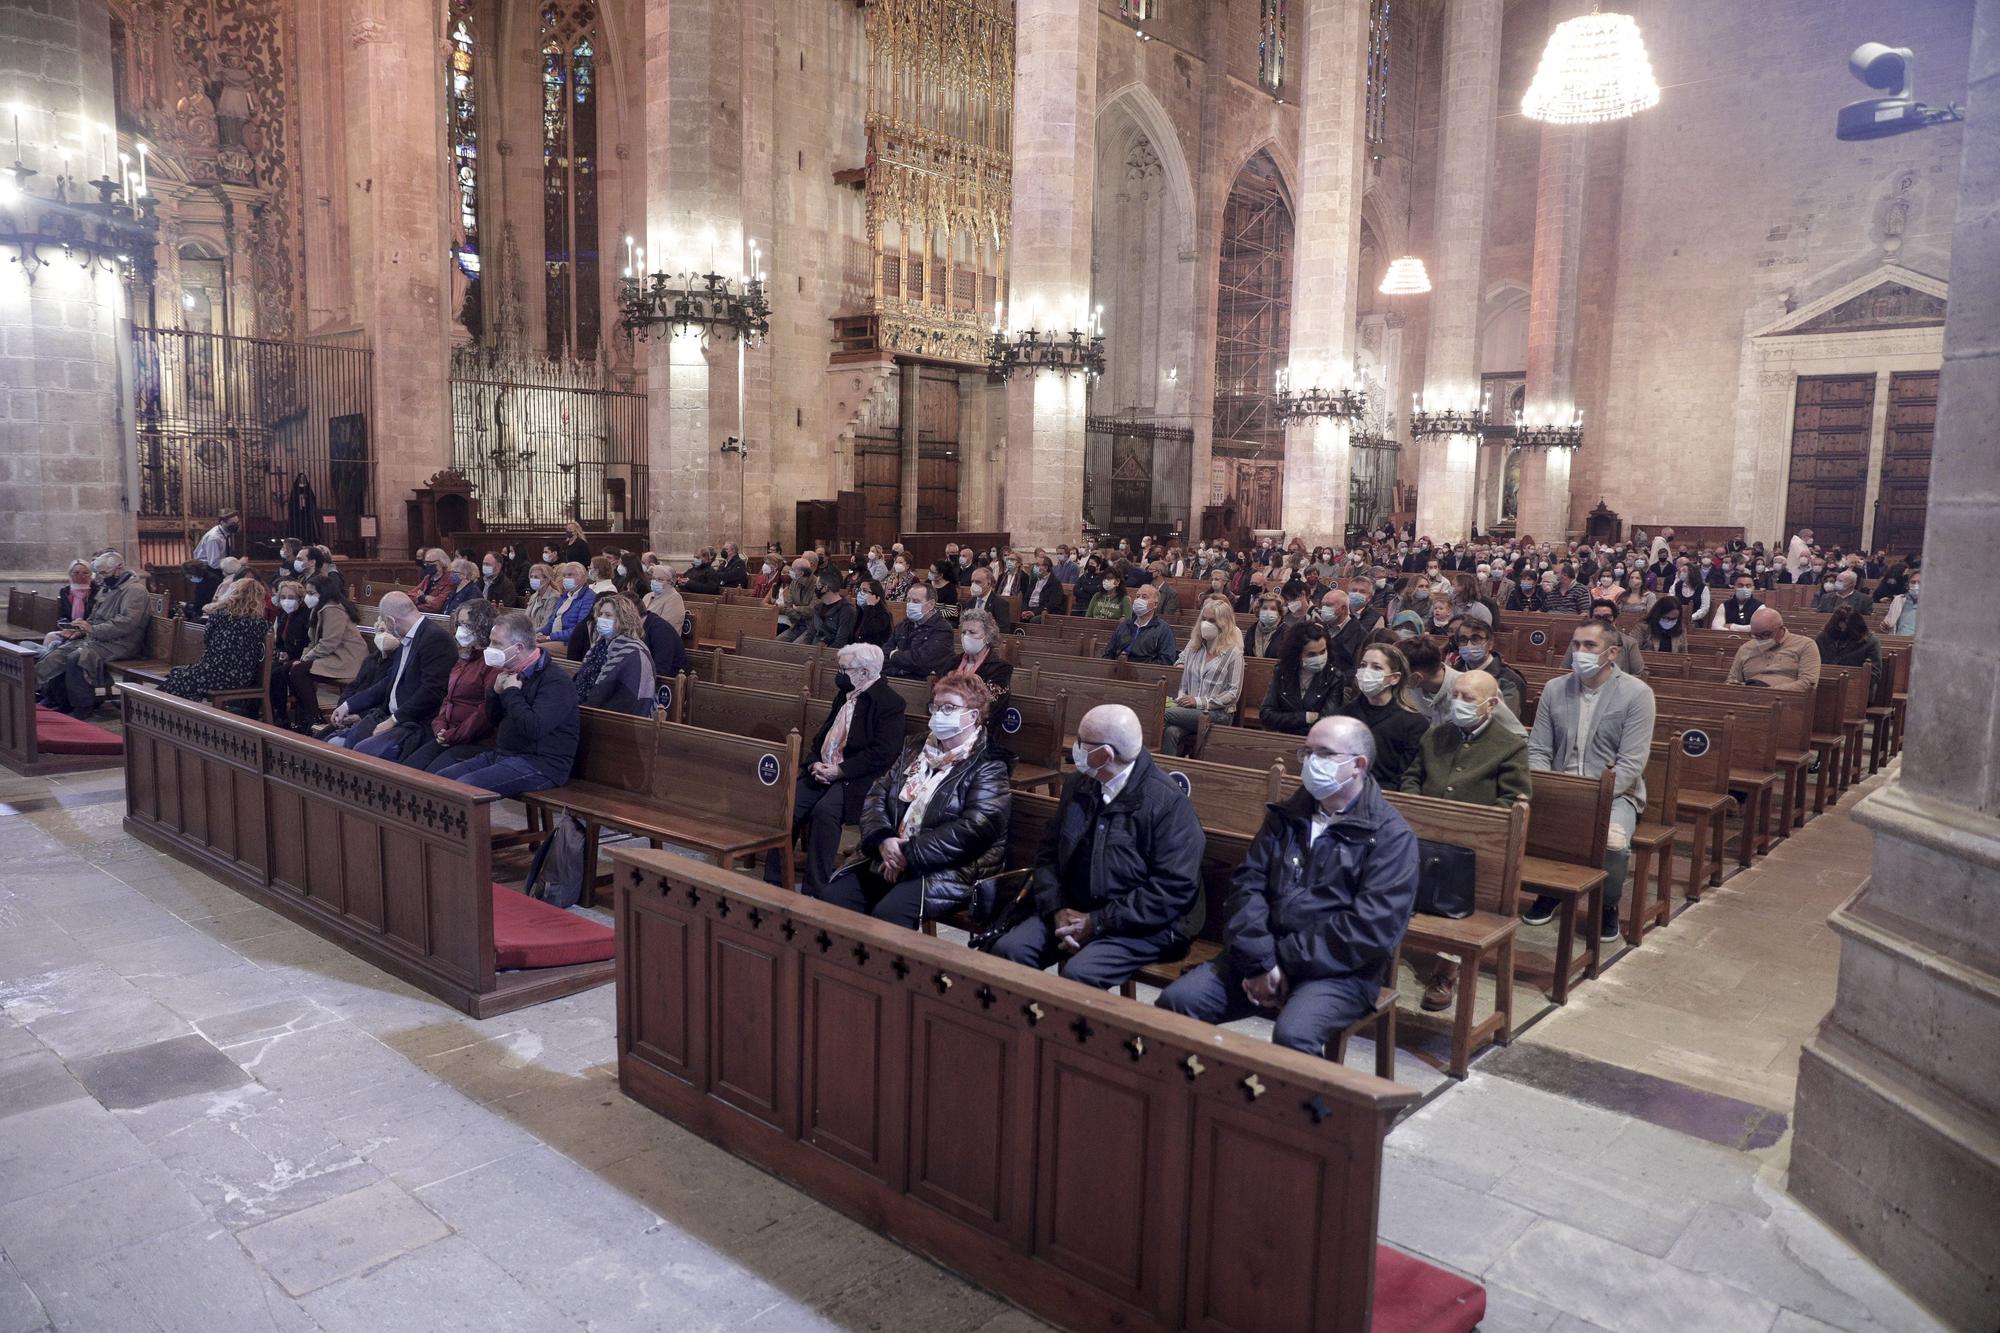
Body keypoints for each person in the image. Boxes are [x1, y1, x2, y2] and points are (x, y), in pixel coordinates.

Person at [1156, 715, 1416, 1051]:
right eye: (1306, 752)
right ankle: (1188, 1100)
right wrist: (1261, 961)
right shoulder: (1286, 816)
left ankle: (1304, 1105)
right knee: (1177, 1003)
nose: (1311, 762)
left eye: (1324, 754)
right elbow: (1246, 888)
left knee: (1293, 1037)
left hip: (1339, 972)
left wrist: (1279, 962)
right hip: (1260, 954)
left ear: (1358, 765)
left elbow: (1368, 930)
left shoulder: (1391, 837)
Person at [988, 704, 1204, 989]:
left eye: (1081, 742)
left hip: (1142, 924)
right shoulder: (1079, 784)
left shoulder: (1167, 803)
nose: (1074, 748)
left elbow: (1172, 889)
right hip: (1073, 908)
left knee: (1079, 976)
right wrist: (1057, 907)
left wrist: (1097, 922)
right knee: (1010, 951)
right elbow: (1048, 853)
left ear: (1106, 754)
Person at [815, 671, 1012, 929]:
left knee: (889, 914)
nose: (939, 714)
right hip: (891, 853)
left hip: (953, 868)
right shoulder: (916, 747)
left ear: (973, 716)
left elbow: (975, 829)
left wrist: (909, 853)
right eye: (936, 706)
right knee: (832, 899)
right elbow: (877, 794)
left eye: (949, 708)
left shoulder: (989, 764)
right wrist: (884, 840)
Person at [1399, 671, 1531, 1012]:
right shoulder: (1436, 735)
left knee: (1463, 883)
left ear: (1491, 705)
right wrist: (1418, 808)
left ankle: (1446, 969)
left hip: (1475, 846)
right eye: (1455, 696)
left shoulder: (1510, 745)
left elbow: (1515, 800)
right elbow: (1413, 777)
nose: (1458, 703)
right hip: (1425, 832)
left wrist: (1473, 827)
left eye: (1468, 699)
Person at [1525, 619, 1657, 940]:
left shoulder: (1637, 693)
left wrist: (1594, 795)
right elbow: (1539, 748)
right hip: (1561, 788)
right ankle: (1551, 889)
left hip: (1615, 792)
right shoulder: (1556, 689)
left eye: (1589, 646)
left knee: (1613, 841)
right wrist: (1551, 787)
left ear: (1611, 653)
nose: (1579, 652)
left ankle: (1607, 903)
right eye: (1576, 645)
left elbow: (1632, 761)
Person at [780, 643, 906, 893]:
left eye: (845, 669)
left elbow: (883, 753)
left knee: (824, 813)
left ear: (867, 672)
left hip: (858, 777)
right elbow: (824, 735)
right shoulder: (845, 694)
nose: (840, 674)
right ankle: (776, 879)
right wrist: (814, 761)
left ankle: (815, 888)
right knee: (789, 804)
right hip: (824, 769)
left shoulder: (890, 703)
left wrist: (840, 771)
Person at [431, 612, 580, 796]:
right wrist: (494, 693)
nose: (490, 648)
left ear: (518, 648)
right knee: (441, 779)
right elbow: (494, 719)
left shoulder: (555, 681)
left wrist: (511, 693)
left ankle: (469, 825)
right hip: (505, 754)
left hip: (541, 763)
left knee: (465, 787)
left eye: (497, 644)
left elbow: (534, 728)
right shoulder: (509, 673)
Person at [328, 593, 455, 759]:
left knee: (359, 752)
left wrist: (394, 720)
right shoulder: (408, 638)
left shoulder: (436, 639)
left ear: (390, 621)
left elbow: (431, 692)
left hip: (413, 722)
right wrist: (348, 705)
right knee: (330, 743)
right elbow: (389, 682)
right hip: (388, 715)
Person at [36, 551, 151, 717]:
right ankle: (56, 698)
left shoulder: (135, 591)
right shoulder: (108, 588)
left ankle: (83, 706)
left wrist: (92, 629)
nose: (100, 577)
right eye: (99, 573)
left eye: (104, 573)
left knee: (77, 657)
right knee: (59, 650)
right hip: (101, 638)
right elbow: (95, 617)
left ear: (119, 568)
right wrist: (80, 630)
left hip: (123, 643)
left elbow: (127, 622)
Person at [400, 600, 501, 770]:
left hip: (476, 740)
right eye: (459, 624)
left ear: (482, 626)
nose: (461, 630)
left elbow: (485, 711)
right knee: (409, 767)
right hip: (447, 733)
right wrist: (440, 726)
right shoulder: (463, 657)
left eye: (467, 624)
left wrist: (455, 734)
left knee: (434, 775)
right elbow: (448, 697)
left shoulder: (491, 662)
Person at [160, 575, 268, 712]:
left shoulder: (219, 616)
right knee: (178, 675)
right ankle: (170, 714)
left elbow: (207, 640)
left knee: (179, 677)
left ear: (232, 595)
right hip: (242, 677)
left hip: (216, 672)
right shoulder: (261, 624)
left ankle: (155, 712)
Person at [1338, 643, 1430, 789]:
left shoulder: (1414, 723)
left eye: (1376, 667)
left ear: (1394, 678)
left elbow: (1405, 776)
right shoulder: (1344, 714)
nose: (1366, 672)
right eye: (1363, 665)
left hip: (1385, 795)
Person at [1164, 600, 1244, 754]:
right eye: (1204, 619)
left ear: (1224, 624)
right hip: (1188, 711)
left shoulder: (1233, 653)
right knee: (1171, 732)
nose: (1206, 624)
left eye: (1212, 620)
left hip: (1218, 713)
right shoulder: (1194, 648)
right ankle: (1171, 772)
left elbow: (1233, 694)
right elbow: (1184, 684)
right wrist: (1182, 699)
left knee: (1164, 713)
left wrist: (1199, 702)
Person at [568, 592, 656, 716]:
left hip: (613, 719)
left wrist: (582, 712)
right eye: (600, 614)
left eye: (608, 615)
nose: (601, 618)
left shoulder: (633, 652)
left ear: (624, 619)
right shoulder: (600, 646)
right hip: (588, 710)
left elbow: (624, 700)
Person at [1261, 622, 1344, 737]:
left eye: (1323, 652)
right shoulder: (1282, 672)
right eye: (1311, 654)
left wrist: (1286, 719)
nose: (1319, 658)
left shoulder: (1334, 677)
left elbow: (1326, 722)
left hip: (1316, 741)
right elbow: (1266, 715)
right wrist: (1306, 717)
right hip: (1283, 738)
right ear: (1297, 654)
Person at [1447, 606, 1528, 718]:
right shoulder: (1454, 673)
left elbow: (1507, 721)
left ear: (1490, 644)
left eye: (1476, 639)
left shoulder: (1510, 679)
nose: (1469, 645)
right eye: (1463, 640)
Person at [1725, 607, 1822, 693]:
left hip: (1787, 702)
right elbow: (1731, 681)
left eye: (1766, 634)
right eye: (1755, 635)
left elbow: (1808, 684)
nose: (1761, 639)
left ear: (1781, 628)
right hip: (1747, 700)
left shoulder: (1805, 645)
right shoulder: (1745, 648)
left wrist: (1767, 692)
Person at [266, 580, 314, 725]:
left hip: (302, 656)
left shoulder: (306, 614)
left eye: (291, 597)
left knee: (277, 673)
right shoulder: (283, 614)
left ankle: (282, 715)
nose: (287, 601)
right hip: (286, 655)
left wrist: (290, 654)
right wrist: (281, 652)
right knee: (267, 669)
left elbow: (307, 640)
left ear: (300, 599)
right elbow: (279, 639)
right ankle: (272, 711)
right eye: (283, 597)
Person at [882, 583, 954, 679]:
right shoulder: (902, 626)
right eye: (908, 600)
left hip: (922, 686)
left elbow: (922, 661)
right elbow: (883, 654)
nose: (910, 604)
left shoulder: (943, 630)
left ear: (931, 604)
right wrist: (900, 669)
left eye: (916, 601)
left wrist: (894, 655)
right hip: (894, 678)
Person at [1102, 585, 1177, 664]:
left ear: (1155, 604)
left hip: (1145, 672)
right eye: (1137, 597)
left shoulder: (1163, 629)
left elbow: (1166, 660)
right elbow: (1108, 652)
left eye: (1144, 597)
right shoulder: (1124, 625)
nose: (1139, 600)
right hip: (1117, 668)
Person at [1816, 604, 1882, 689]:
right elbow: (1812, 663)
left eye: (1846, 630)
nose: (1842, 631)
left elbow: (1874, 674)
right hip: (1825, 684)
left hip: (1857, 687)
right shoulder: (1823, 637)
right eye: (1839, 630)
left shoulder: (1870, 642)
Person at [788, 574, 858, 648]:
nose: (815, 587)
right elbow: (810, 634)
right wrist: (805, 650)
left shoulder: (847, 610)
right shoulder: (819, 607)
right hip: (814, 649)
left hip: (830, 654)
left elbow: (840, 642)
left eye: (817, 585)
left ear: (825, 588)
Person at [536, 562, 595, 646]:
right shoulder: (564, 596)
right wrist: (539, 633)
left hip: (570, 643)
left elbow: (579, 630)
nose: (566, 578)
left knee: (536, 649)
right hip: (553, 638)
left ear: (583, 577)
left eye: (570, 575)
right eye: (564, 575)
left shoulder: (589, 597)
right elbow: (551, 623)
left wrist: (549, 637)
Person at [1021, 554, 1069, 621]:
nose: (1034, 567)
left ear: (1046, 567)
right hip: (1029, 609)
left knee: (1034, 620)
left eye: (1037, 565)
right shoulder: (1033, 581)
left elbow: (1052, 605)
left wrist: (1034, 612)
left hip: (1043, 612)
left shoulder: (1055, 583)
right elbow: (1025, 599)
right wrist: (1024, 610)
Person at [851, 578, 893, 646]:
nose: (860, 593)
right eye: (859, 590)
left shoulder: (883, 615)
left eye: (864, 590)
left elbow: (868, 630)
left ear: (875, 595)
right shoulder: (861, 611)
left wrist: (870, 606)